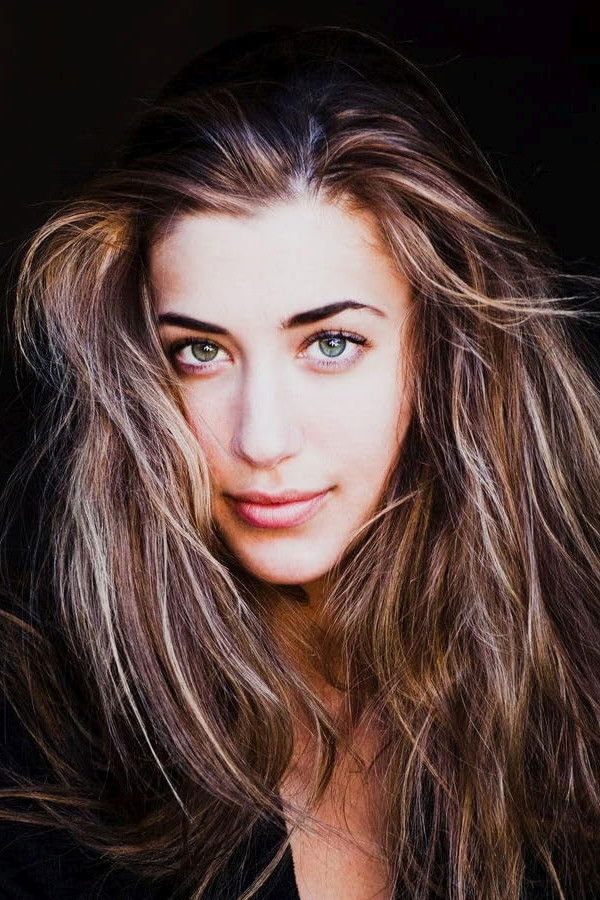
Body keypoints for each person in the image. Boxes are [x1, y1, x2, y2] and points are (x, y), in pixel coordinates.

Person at [0, 22, 599, 900]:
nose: (263, 439)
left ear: (443, 351)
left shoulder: (575, 681)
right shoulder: (37, 731)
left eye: (331, 342)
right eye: (200, 352)